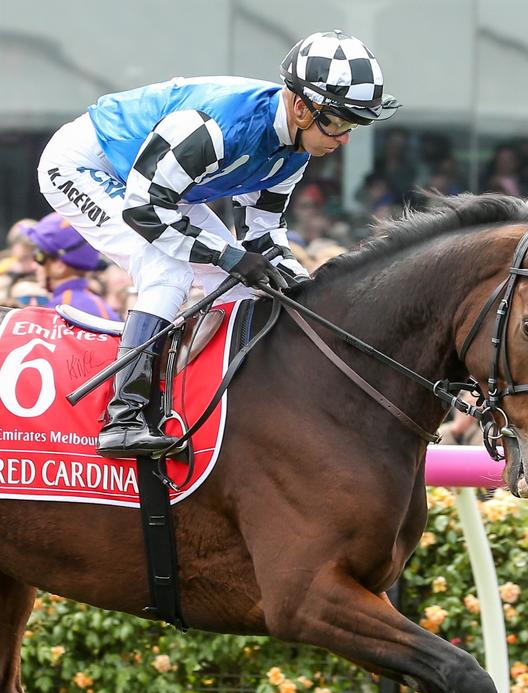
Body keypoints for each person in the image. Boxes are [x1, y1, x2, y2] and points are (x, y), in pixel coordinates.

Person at [35, 30, 399, 459]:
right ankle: (124, 416)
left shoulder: (297, 151)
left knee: (250, 288)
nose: (345, 139)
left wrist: (305, 288)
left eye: (355, 124)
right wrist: (226, 255)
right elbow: (144, 212)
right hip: (87, 164)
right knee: (168, 269)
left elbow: (263, 235)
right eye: (338, 122)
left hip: (161, 188)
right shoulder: (215, 128)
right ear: (301, 107)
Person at [24, 213, 121, 321]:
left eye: (39, 256)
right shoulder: (104, 309)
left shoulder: (59, 311)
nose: (34, 266)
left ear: (59, 266)